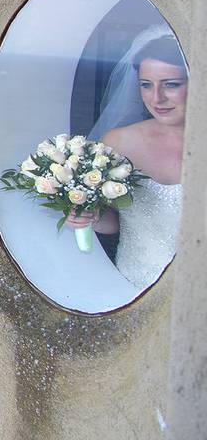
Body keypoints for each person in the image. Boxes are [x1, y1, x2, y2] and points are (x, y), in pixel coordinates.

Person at [66, 30, 187, 288]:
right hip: (134, 283)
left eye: (171, 84)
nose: (157, 98)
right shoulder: (118, 143)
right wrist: (89, 216)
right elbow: (115, 223)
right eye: (146, 85)